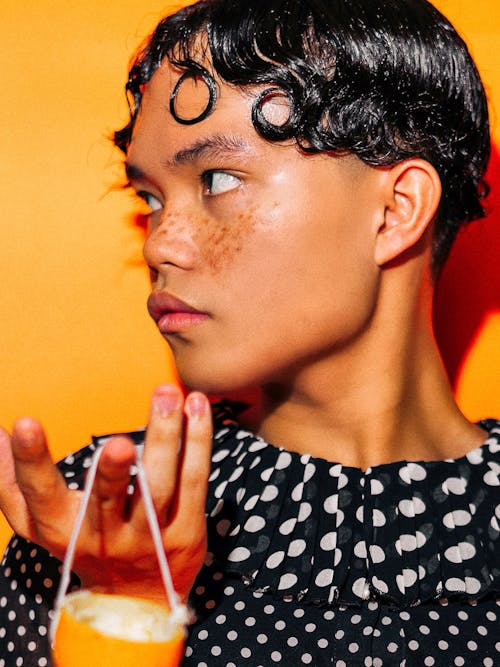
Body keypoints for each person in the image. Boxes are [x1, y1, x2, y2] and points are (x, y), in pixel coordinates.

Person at [1, 0, 498, 665]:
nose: (159, 246)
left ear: (395, 211)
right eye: (149, 198)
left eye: (218, 179)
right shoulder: (109, 516)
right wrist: (129, 605)